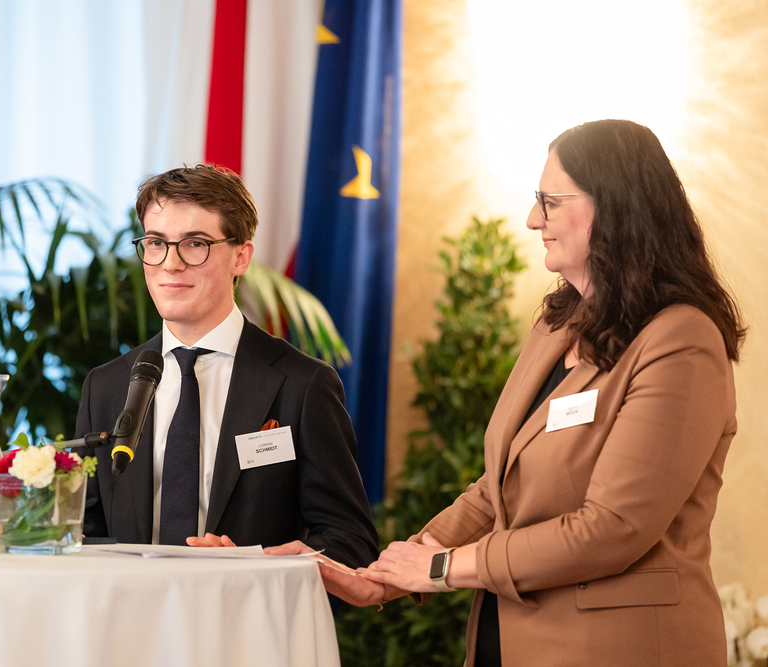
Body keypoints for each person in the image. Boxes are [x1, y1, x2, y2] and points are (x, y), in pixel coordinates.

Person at [269, 120, 744, 666]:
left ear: (615, 206)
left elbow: (614, 528)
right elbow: (497, 491)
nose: (532, 219)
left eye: (549, 201)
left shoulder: (681, 339)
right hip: (506, 640)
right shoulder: (556, 325)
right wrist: (386, 576)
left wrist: (443, 568)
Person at [72, 163, 379, 569]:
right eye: (156, 242)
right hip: (132, 608)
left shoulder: (303, 385)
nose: (170, 263)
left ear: (241, 257)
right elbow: (82, 533)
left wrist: (253, 564)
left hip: (248, 608)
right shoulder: (105, 385)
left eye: (195, 243)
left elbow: (351, 543)